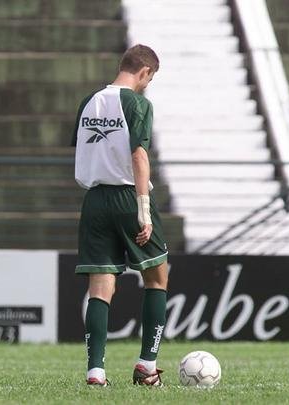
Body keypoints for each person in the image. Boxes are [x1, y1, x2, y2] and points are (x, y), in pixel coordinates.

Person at [71, 44, 168, 387]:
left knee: (100, 288)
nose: (147, 85)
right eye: (150, 78)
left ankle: (95, 371)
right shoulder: (137, 103)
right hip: (129, 195)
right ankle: (146, 366)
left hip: (95, 198)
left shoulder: (89, 102)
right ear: (144, 72)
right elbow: (138, 156)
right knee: (157, 277)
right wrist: (144, 210)